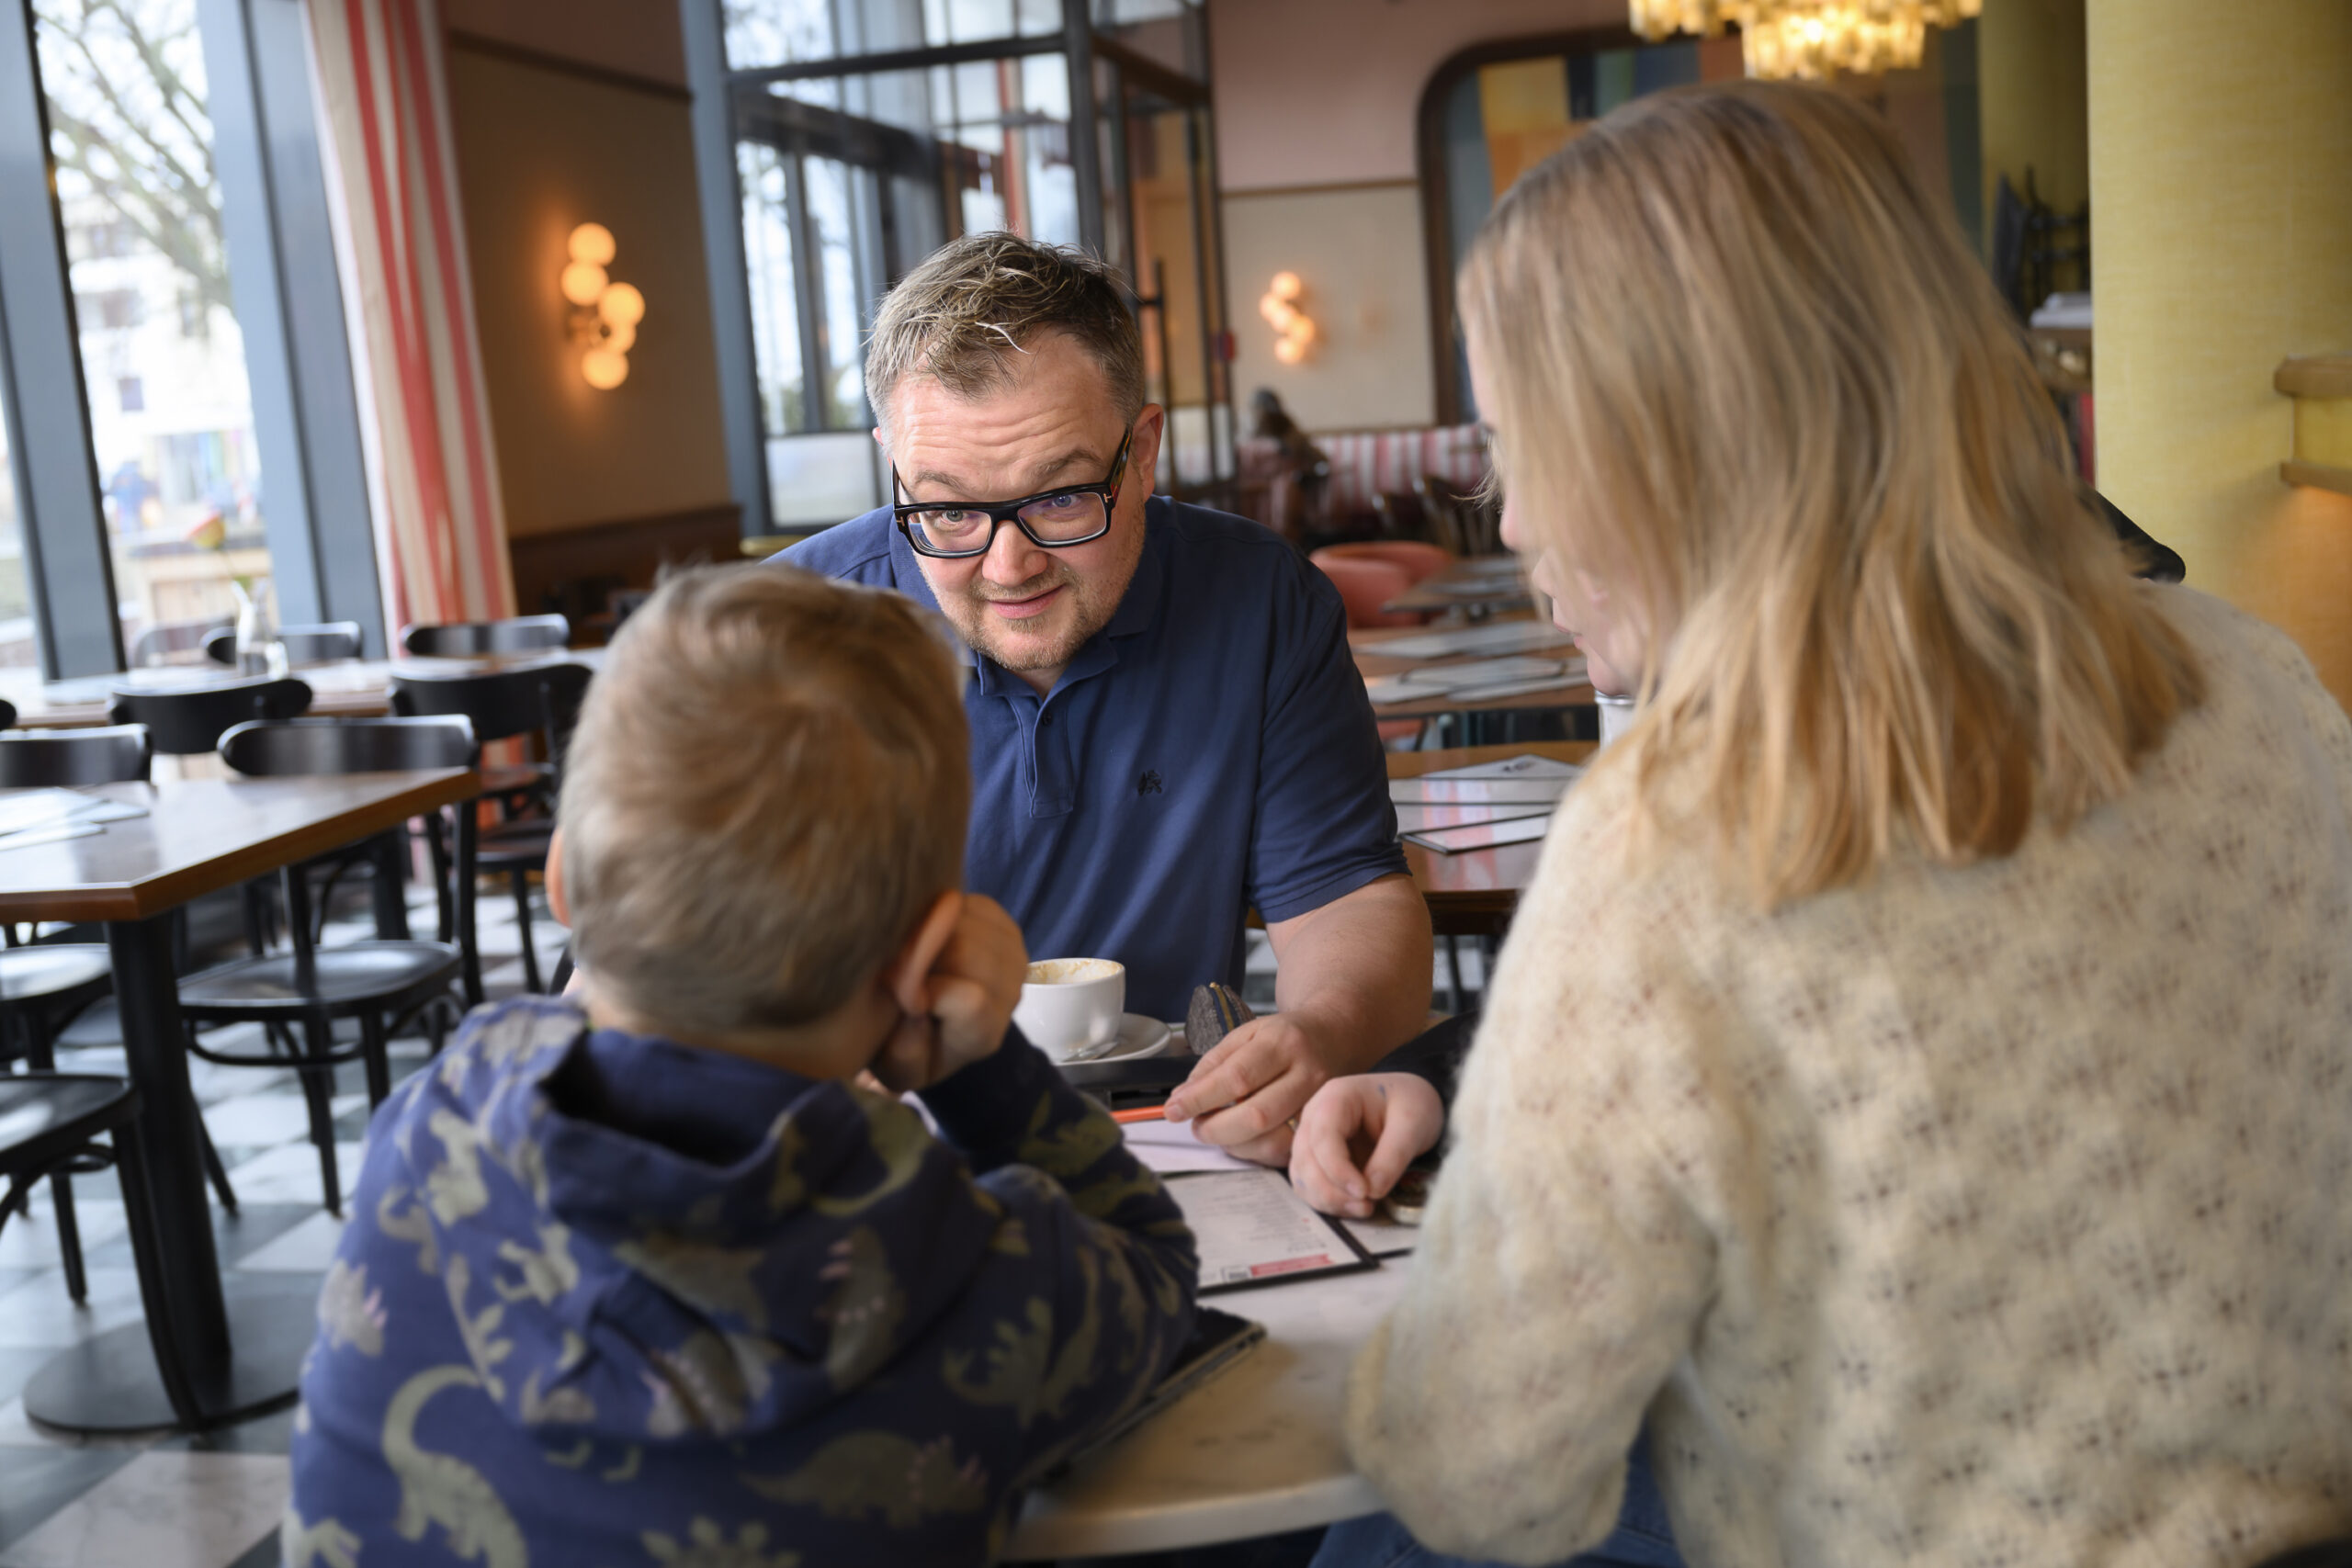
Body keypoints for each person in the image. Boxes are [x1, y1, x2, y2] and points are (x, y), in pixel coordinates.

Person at [1331, 80, 2352, 1568]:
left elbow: (1487, 1475)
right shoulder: (2263, 680)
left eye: (1517, 443)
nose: (1516, 518)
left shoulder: (1673, 842)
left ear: (1666, 450)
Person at [284, 566, 1199, 1566]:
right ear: (924, 957)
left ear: (561, 884)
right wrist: (978, 1069)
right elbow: (1154, 1265)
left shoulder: (423, 1130)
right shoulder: (978, 1274)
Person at [785, 231, 1433, 1163]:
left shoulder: (1261, 601)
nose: (1005, 568)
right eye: (946, 509)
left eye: (1057, 498)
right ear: (893, 460)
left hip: (1172, 1132)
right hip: (869, 1151)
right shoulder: (779, 636)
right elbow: (630, 979)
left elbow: (1347, 898)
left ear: (1143, 451)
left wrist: (1322, 1035)